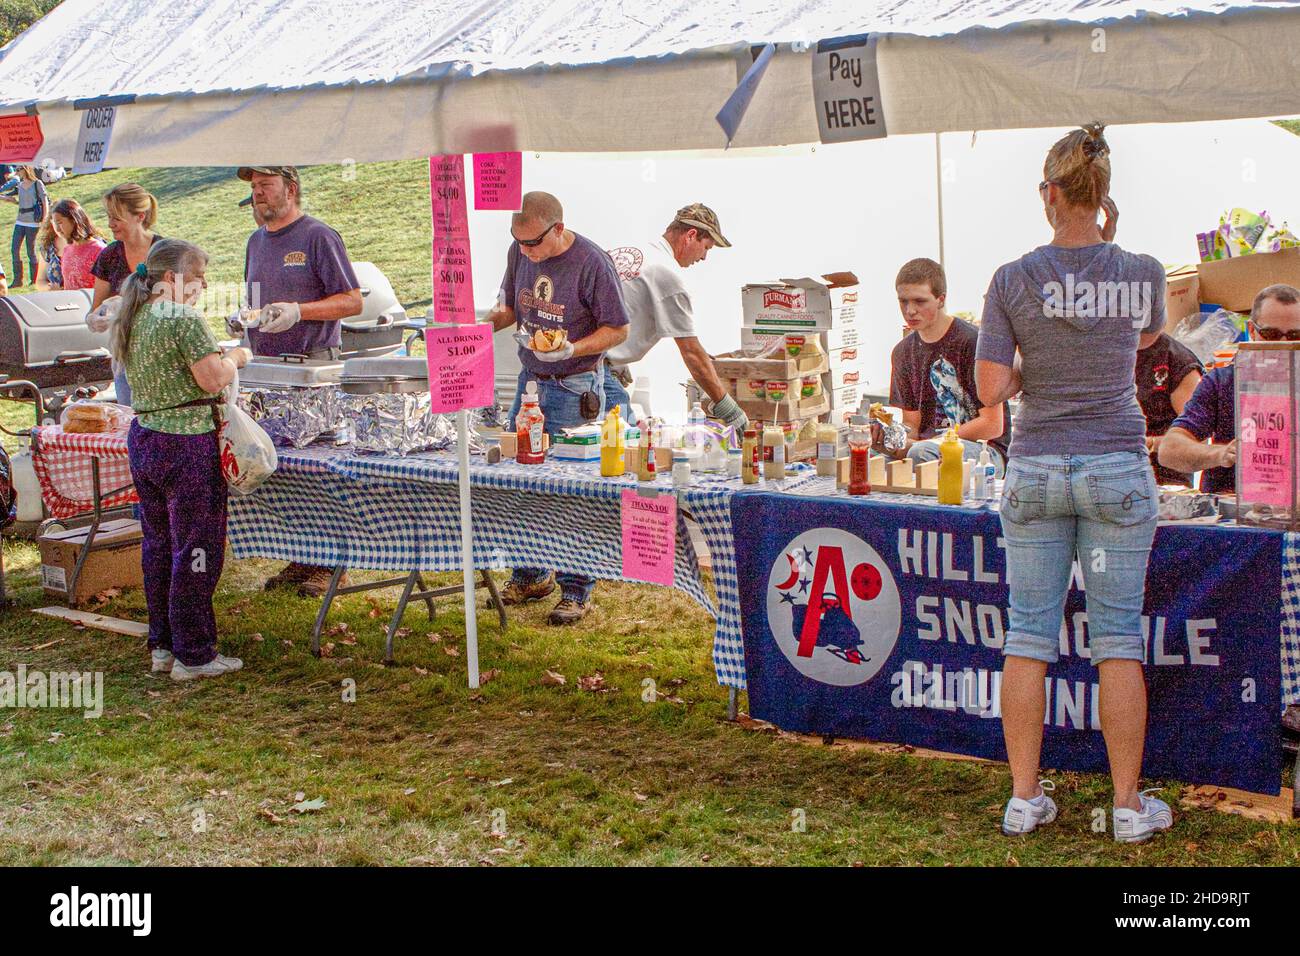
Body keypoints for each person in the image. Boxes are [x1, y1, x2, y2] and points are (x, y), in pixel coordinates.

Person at [975, 124, 1173, 843]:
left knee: (1028, 635)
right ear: (1104, 196)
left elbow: (992, 389)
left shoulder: (1011, 278)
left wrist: (1036, 368)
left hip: (1035, 466)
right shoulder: (1143, 271)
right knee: (1117, 638)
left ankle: (1024, 799)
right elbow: (1146, 338)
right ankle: (1127, 807)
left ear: (1048, 194)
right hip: (1116, 463)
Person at [487, 190, 630, 625]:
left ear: (559, 228)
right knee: (523, 480)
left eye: (533, 243)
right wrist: (473, 323)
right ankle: (530, 574)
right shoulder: (520, 250)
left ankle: (575, 590)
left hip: (576, 384)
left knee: (572, 490)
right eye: (519, 243)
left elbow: (618, 329)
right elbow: (510, 309)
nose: (526, 252)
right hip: (531, 380)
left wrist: (571, 348)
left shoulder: (592, 262)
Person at [113, 239, 252, 681]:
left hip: (146, 436)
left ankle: (164, 645)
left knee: (159, 545)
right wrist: (236, 357)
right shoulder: (182, 318)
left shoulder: (133, 314)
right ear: (172, 278)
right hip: (186, 442)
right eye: (197, 276)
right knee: (196, 548)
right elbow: (211, 379)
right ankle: (195, 653)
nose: (204, 285)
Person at [234, 166, 362, 598]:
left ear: (290, 190)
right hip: (267, 370)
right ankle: (304, 553)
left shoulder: (318, 236)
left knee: (323, 468)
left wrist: (299, 311)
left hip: (313, 369)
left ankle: (336, 563)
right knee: (287, 468)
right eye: (253, 188)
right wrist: (245, 319)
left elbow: (352, 300)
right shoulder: (255, 241)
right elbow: (253, 300)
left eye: (265, 186)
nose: (257, 195)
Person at [602, 203, 747, 433]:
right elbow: (691, 352)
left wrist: (617, 359)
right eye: (706, 247)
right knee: (623, 450)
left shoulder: (628, 252)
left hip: (575, 364)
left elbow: (618, 307)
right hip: (593, 373)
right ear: (691, 235)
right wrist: (727, 407)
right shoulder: (668, 276)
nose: (704, 258)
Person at [1160, 284, 1300, 493]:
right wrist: (1222, 454)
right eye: (1270, 334)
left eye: (1294, 336)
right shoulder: (1223, 381)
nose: (1282, 344)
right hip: (1232, 509)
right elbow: (1170, 450)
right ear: (1251, 331)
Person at [884, 258, 1008, 474]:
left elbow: (992, 424)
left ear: (941, 299)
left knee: (921, 454)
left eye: (919, 301)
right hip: (927, 447)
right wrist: (890, 440)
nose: (910, 310)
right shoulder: (902, 352)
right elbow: (912, 425)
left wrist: (931, 442)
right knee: (867, 457)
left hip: (985, 450)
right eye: (903, 301)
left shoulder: (973, 342)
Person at [90, 183, 164, 406]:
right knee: (129, 425)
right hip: (125, 358)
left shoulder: (165, 251)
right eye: (109, 217)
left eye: (117, 218)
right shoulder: (109, 255)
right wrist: (99, 317)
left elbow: (181, 305)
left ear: (140, 216)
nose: (111, 224)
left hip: (162, 357)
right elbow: (96, 309)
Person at [1135, 330, 1202, 485]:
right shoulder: (1105, 351)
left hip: (1164, 479)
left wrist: (1149, 443)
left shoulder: (1177, 360)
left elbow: (1196, 437)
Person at [36, 199, 106, 292]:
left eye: (60, 223)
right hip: (70, 304)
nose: (57, 228)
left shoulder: (99, 250)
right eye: (54, 224)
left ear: (74, 220)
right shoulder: (68, 250)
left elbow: (106, 288)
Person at [1, 165, 47, 288]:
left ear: (25, 169)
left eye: (18, 170)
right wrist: (7, 199)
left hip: (33, 222)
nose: (17, 172)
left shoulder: (37, 183)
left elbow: (44, 201)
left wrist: (44, 219)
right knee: (14, 249)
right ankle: (18, 280)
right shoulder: (20, 185)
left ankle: (34, 279)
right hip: (20, 221)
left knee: (30, 251)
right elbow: (19, 202)